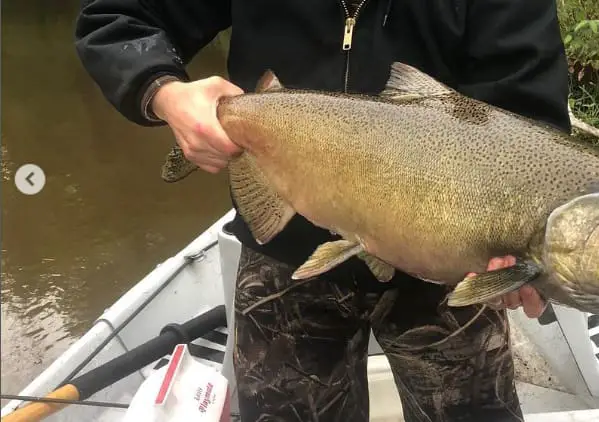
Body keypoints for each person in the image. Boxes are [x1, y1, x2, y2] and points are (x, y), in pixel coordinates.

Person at [74, 1, 571, 420]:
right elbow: (117, 16)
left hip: (449, 275)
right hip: (286, 252)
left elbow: (529, 128)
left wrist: (527, 247)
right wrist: (166, 93)